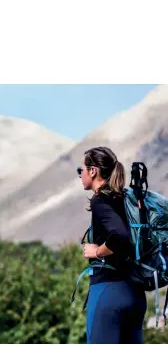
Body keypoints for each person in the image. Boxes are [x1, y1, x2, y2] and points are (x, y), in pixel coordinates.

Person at [77, 147, 147, 344]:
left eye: (80, 169)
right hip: (135, 294)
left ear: (93, 171)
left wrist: (96, 251)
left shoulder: (101, 201)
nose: (80, 175)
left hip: (108, 292)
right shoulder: (125, 199)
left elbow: (120, 235)